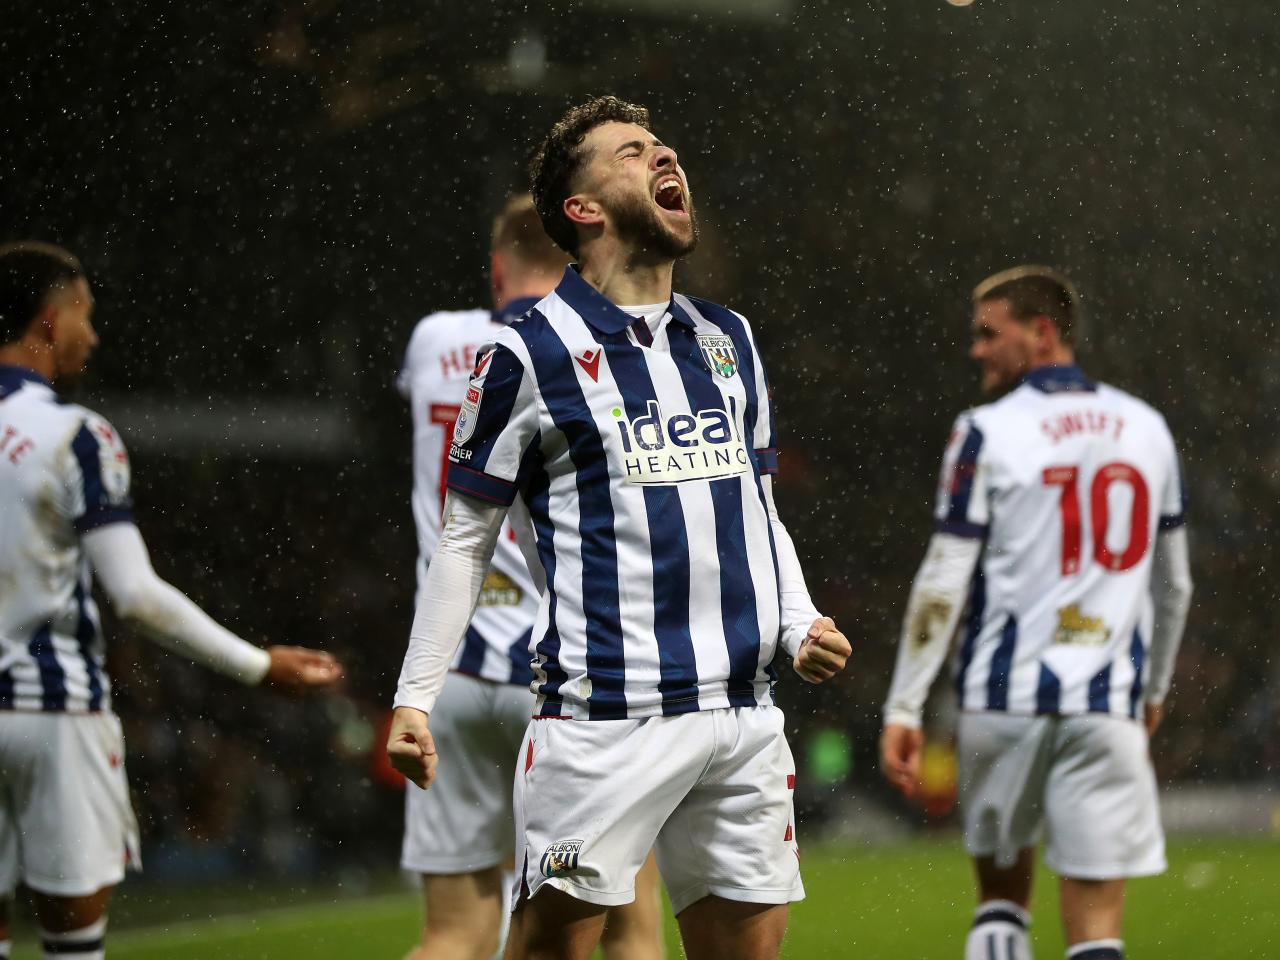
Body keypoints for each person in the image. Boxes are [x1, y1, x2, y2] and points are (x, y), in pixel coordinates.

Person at [387, 95, 851, 960]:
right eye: (633, 151)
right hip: (605, 722)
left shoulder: (728, 338)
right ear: (583, 208)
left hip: (742, 713)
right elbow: (465, 541)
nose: (664, 154)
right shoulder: (522, 353)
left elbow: (759, 508)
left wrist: (797, 622)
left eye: (663, 144)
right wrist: (416, 696)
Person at [0, 242, 344, 960]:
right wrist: (257, 664)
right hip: (51, 713)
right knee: (73, 943)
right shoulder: (76, 437)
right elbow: (135, 595)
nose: (91, 336)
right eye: (84, 316)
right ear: (49, 320)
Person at [879, 266, 1194, 960]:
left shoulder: (985, 431)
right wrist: (1155, 690)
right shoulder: (1147, 429)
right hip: (1107, 703)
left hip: (1003, 701)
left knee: (999, 904)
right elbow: (1174, 587)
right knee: (1098, 927)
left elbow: (943, 579)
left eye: (991, 334)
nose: (977, 351)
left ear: (1042, 332)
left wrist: (905, 705)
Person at [396, 194, 664, 960]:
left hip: (445, 674)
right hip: (564, 678)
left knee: (454, 934)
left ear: (495, 266)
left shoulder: (434, 340)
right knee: (627, 929)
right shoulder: (592, 358)